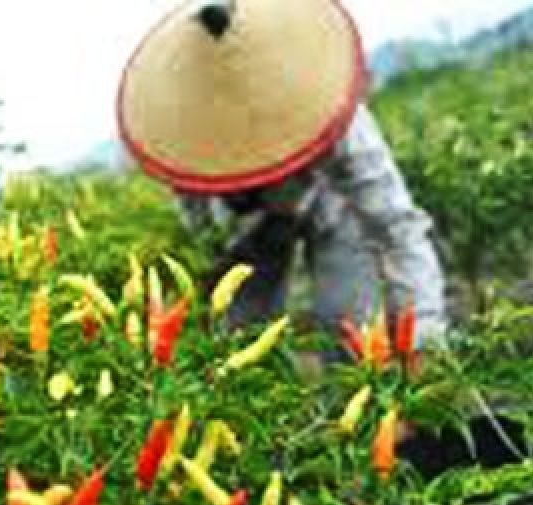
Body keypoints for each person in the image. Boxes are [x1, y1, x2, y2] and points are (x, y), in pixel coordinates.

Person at [115, 0, 446, 349]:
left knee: (349, 326)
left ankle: (352, 387)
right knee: (242, 338)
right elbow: (204, 235)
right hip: (253, 220)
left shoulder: (332, 113)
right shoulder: (186, 140)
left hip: (332, 199)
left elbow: (396, 227)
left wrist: (423, 334)